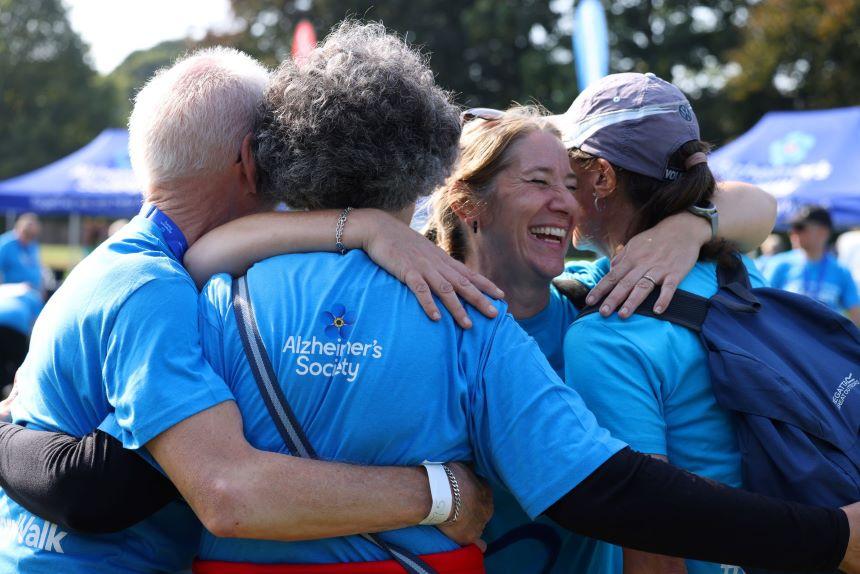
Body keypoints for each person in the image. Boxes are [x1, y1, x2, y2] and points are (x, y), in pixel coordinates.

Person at [187, 22, 858, 572]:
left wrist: (693, 223)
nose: (567, 201)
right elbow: (617, 497)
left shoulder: (213, 298)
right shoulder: (472, 322)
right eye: (542, 180)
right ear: (456, 193)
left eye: (572, 181)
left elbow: (123, 483)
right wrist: (830, 538)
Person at [0, 45, 498, 573]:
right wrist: (443, 492)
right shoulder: (152, 289)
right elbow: (227, 492)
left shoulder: (120, 263)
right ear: (249, 160)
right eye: (277, 147)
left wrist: (361, 227)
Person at [553, 72, 827, 573]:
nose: (560, 192)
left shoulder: (608, 334)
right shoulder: (734, 263)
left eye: (568, 172)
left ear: (602, 178)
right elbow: (755, 206)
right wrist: (695, 221)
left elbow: (651, 541)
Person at [765, 205, 860, 324]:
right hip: (788, 339)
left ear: (823, 232)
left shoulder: (841, 271)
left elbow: (856, 314)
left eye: (800, 227)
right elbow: (764, 304)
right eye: (792, 227)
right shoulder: (779, 264)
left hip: (826, 340)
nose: (793, 232)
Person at [0, 214, 44, 394]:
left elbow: (37, 274)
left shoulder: (33, 246)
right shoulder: (6, 244)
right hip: (9, 300)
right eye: (26, 235)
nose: (29, 240)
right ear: (18, 229)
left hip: (29, 304)